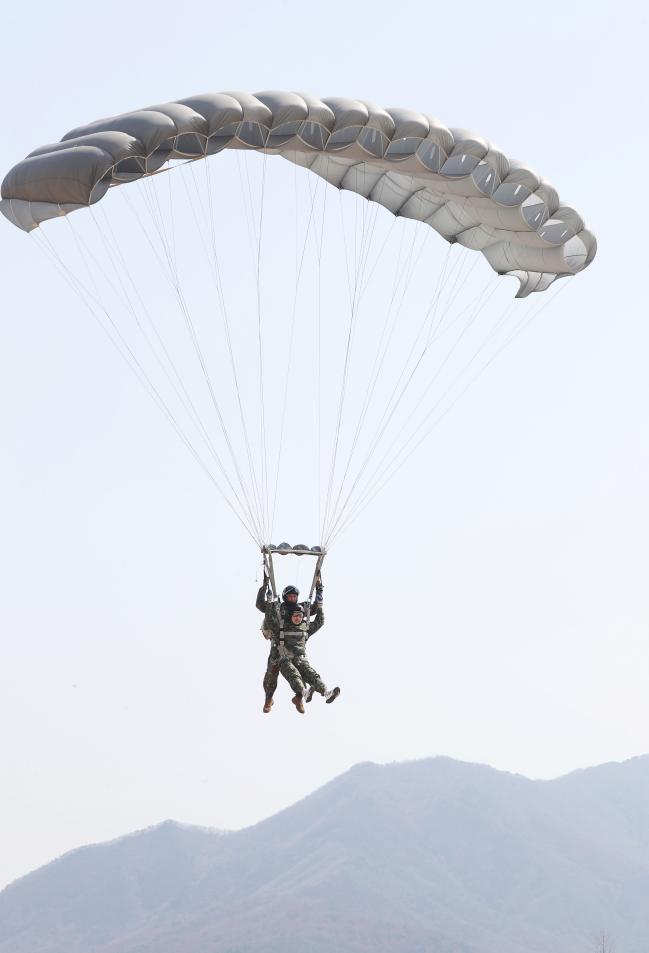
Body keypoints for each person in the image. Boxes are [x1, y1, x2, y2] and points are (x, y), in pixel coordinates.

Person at [263, 594, 340, 714]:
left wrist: (320, 605)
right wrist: (269, 603)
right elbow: (269, 620)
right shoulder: (281, 627)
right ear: (291, 616)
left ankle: (326, 692)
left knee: (311, 673)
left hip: (299, 659)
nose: (298, 618)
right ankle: (304, 692)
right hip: (284, 659)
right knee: (292, 672)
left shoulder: (305, 628)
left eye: (300, 616)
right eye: (295, 616)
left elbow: (320, 622)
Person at [255, 576, 319, 713]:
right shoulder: (278, 607)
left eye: (294, 596)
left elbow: (315, 609)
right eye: (290, 596)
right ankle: (268, 698)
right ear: (285, 597)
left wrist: (319, 591)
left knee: (300, 671)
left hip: (295, 646)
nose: (292, 598)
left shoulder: (300, 608)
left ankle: (299, 697)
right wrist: (264, 587)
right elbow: (260, 605)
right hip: (279, 644)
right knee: (271, 673)